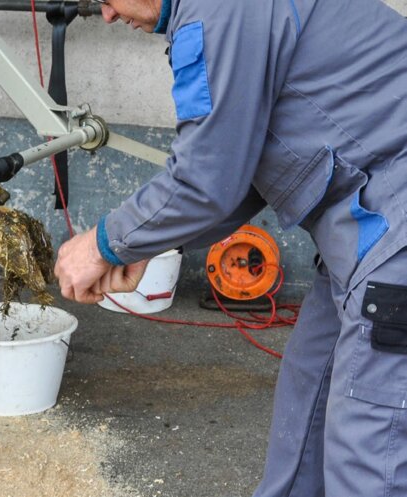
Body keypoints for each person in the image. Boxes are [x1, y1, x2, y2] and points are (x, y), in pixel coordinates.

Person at [54, 0, 407, 495]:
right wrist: (145, 244)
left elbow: (206, 178)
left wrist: (104, 243)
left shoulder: (222, 9)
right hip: (366, 239)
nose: (107, 15)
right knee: (305, 418)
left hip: (393, 242)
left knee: (371, 461)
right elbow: (239, 173)